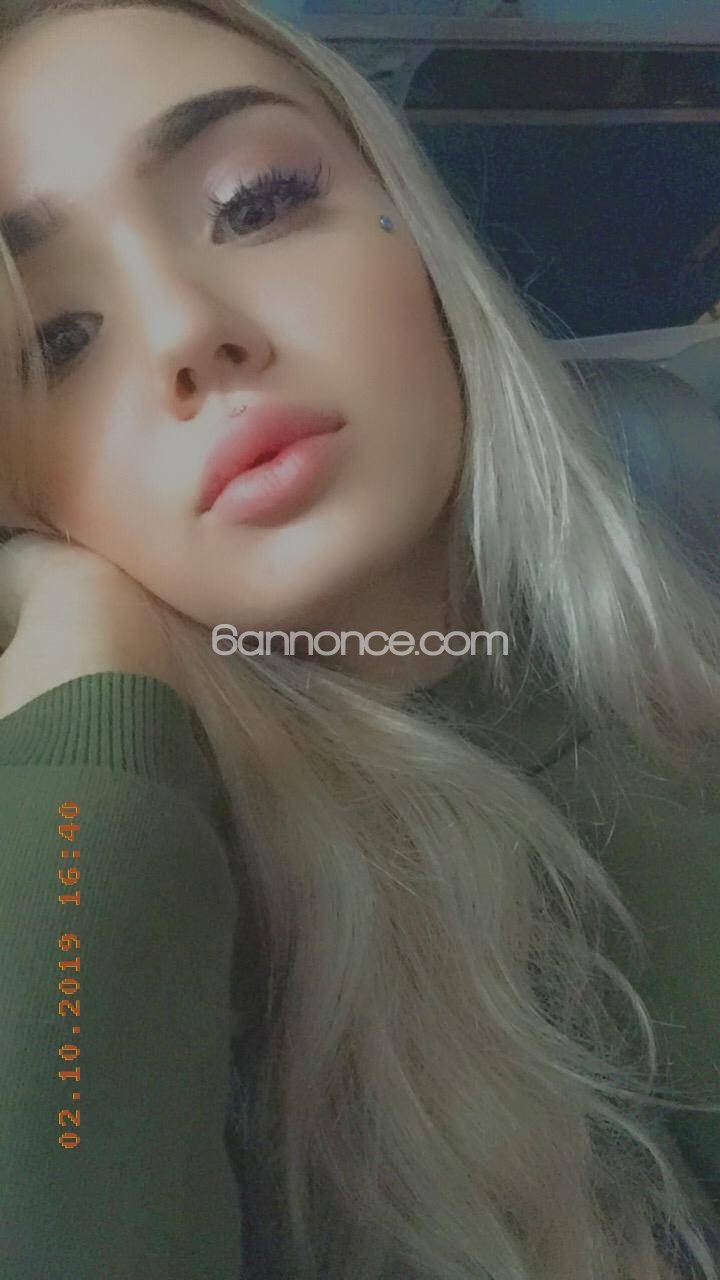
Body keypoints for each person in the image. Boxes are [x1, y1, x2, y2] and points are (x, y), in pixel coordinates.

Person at [0, 1, 718, 1276]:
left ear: (417, 234)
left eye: (257, 202)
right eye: (55, 340)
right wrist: (92, 745)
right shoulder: (96, 891)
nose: (185, 329)